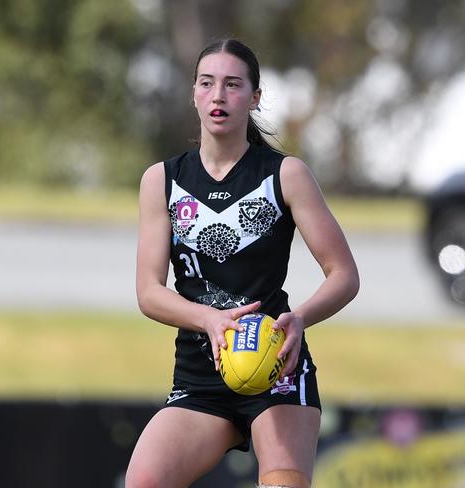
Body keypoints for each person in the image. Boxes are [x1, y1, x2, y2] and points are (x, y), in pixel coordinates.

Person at [126, 38, 359, 488]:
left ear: (254, 98)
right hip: (201, 375)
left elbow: (344, 275)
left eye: (233, 85)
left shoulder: (285, 175)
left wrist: (301, 319)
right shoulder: (162, 181)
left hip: (277, 368)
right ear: (193, 92)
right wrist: (209, 321)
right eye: (207, 83)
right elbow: (149, 292)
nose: (218, 96)